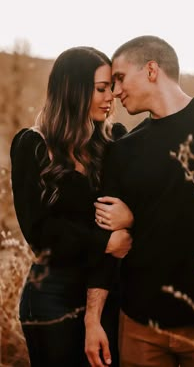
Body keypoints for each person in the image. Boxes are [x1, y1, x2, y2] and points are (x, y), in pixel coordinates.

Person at [84, 35, 194, 367]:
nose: (116, 92)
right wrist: (92, 319)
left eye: (121, 78)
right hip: (139, 327)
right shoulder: (122, 150)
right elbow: (106, 245)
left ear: (151, 69)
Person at [10, 46, 134, 367]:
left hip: (108, 291)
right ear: (74, 90)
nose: (112, 97)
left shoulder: (114, 141)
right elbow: (38, 231)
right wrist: (104, 242)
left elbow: (127, 213)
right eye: (102, 89)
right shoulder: (33, 145)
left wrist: (129, 220)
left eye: (112, 88)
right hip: (52, 294)